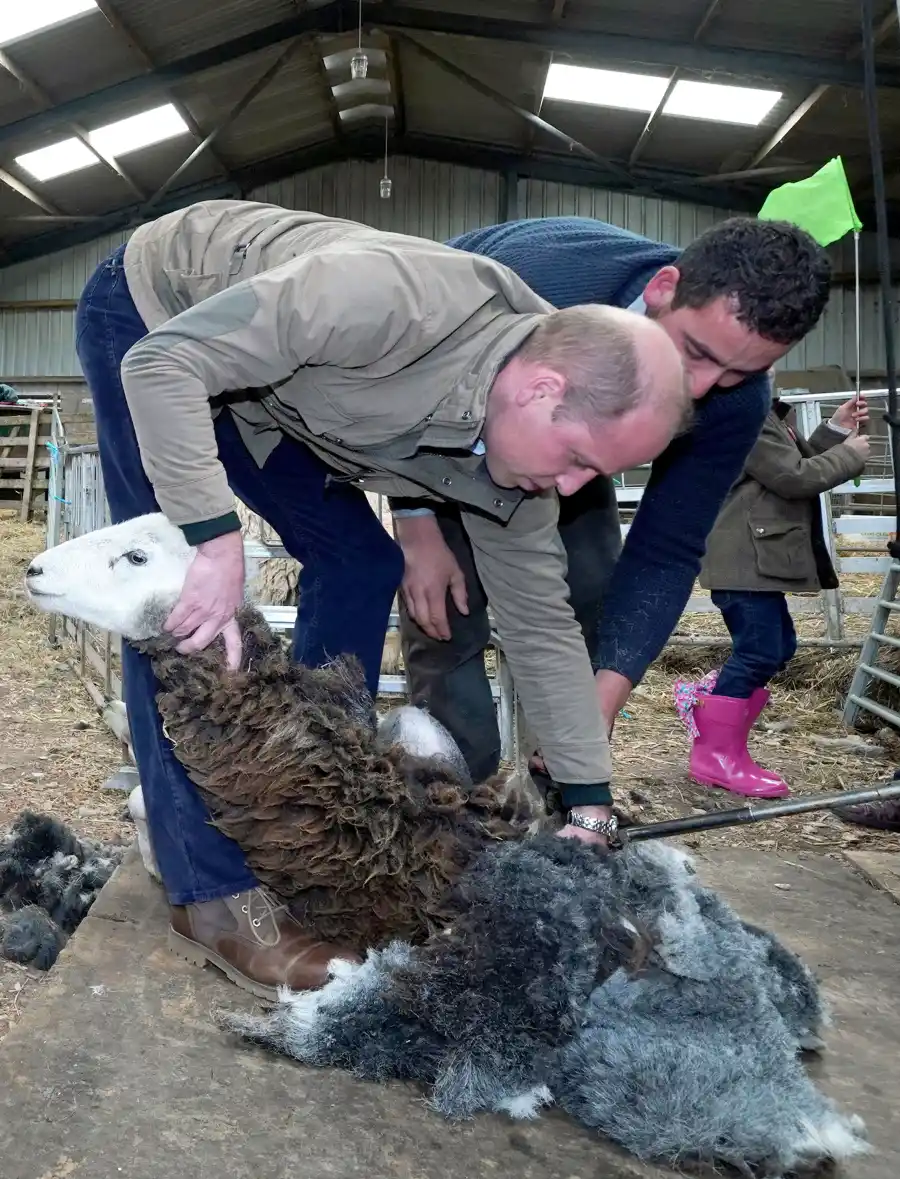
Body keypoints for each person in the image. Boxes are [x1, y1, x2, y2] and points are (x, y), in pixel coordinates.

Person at [74, 198, 690, 999]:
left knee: (362, 565)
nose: (572, 488)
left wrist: (591, 804)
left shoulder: (524, 462)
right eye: (575, 458)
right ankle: (215, 894)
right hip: (157, 319)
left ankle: (310, 816)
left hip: (276, 390)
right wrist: (212, 534)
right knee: (184, 601)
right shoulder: (386, 301)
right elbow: (165, 364)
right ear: (540, 388)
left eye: (594, 476)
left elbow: (542, 631)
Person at [391, 216, 833, 784]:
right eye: (694, 351)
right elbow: (410, 377)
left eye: (738, 371)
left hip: (576, 449)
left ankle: (558, 795)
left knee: (596, 587)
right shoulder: (539, 284)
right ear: (662, 289)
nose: (699, 388)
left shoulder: (736, 398)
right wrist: (416, 523)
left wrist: (602, 700)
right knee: (446, 606)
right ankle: (449, 786)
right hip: (448, 433)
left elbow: (668, 549)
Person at [674, 390, 870, 798]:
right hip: (743, 560)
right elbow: (793, 477)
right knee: (759, 651)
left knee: (778, 647)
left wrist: (835, 430)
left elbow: (795, 462)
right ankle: (714, 755)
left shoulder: (765, 416)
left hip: (753, 561)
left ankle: (721, 740)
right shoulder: (745, 415)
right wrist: (850, 454)